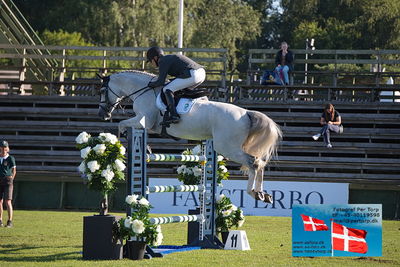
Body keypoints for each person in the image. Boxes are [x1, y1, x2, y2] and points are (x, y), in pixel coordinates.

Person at [146, 46, 206, 124]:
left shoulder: (162, 61)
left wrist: (150, 84)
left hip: (193, 74)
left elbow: (160, 82)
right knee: (179, 90)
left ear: (155, 58)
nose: (151, 63)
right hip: (201, 73)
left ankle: (174, 116)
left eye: (150, 61)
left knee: (166, 89)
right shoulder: (167, 58)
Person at [0, 140, 16, 228]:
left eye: (5, 147)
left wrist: (11, 179)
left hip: (7, 180)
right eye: (2, 147)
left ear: (8, 148)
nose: (3, 149)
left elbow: (14, 170)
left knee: (8, 201)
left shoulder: (10, 158)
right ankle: (0, 220)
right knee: (0, 201)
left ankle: (10, 221)